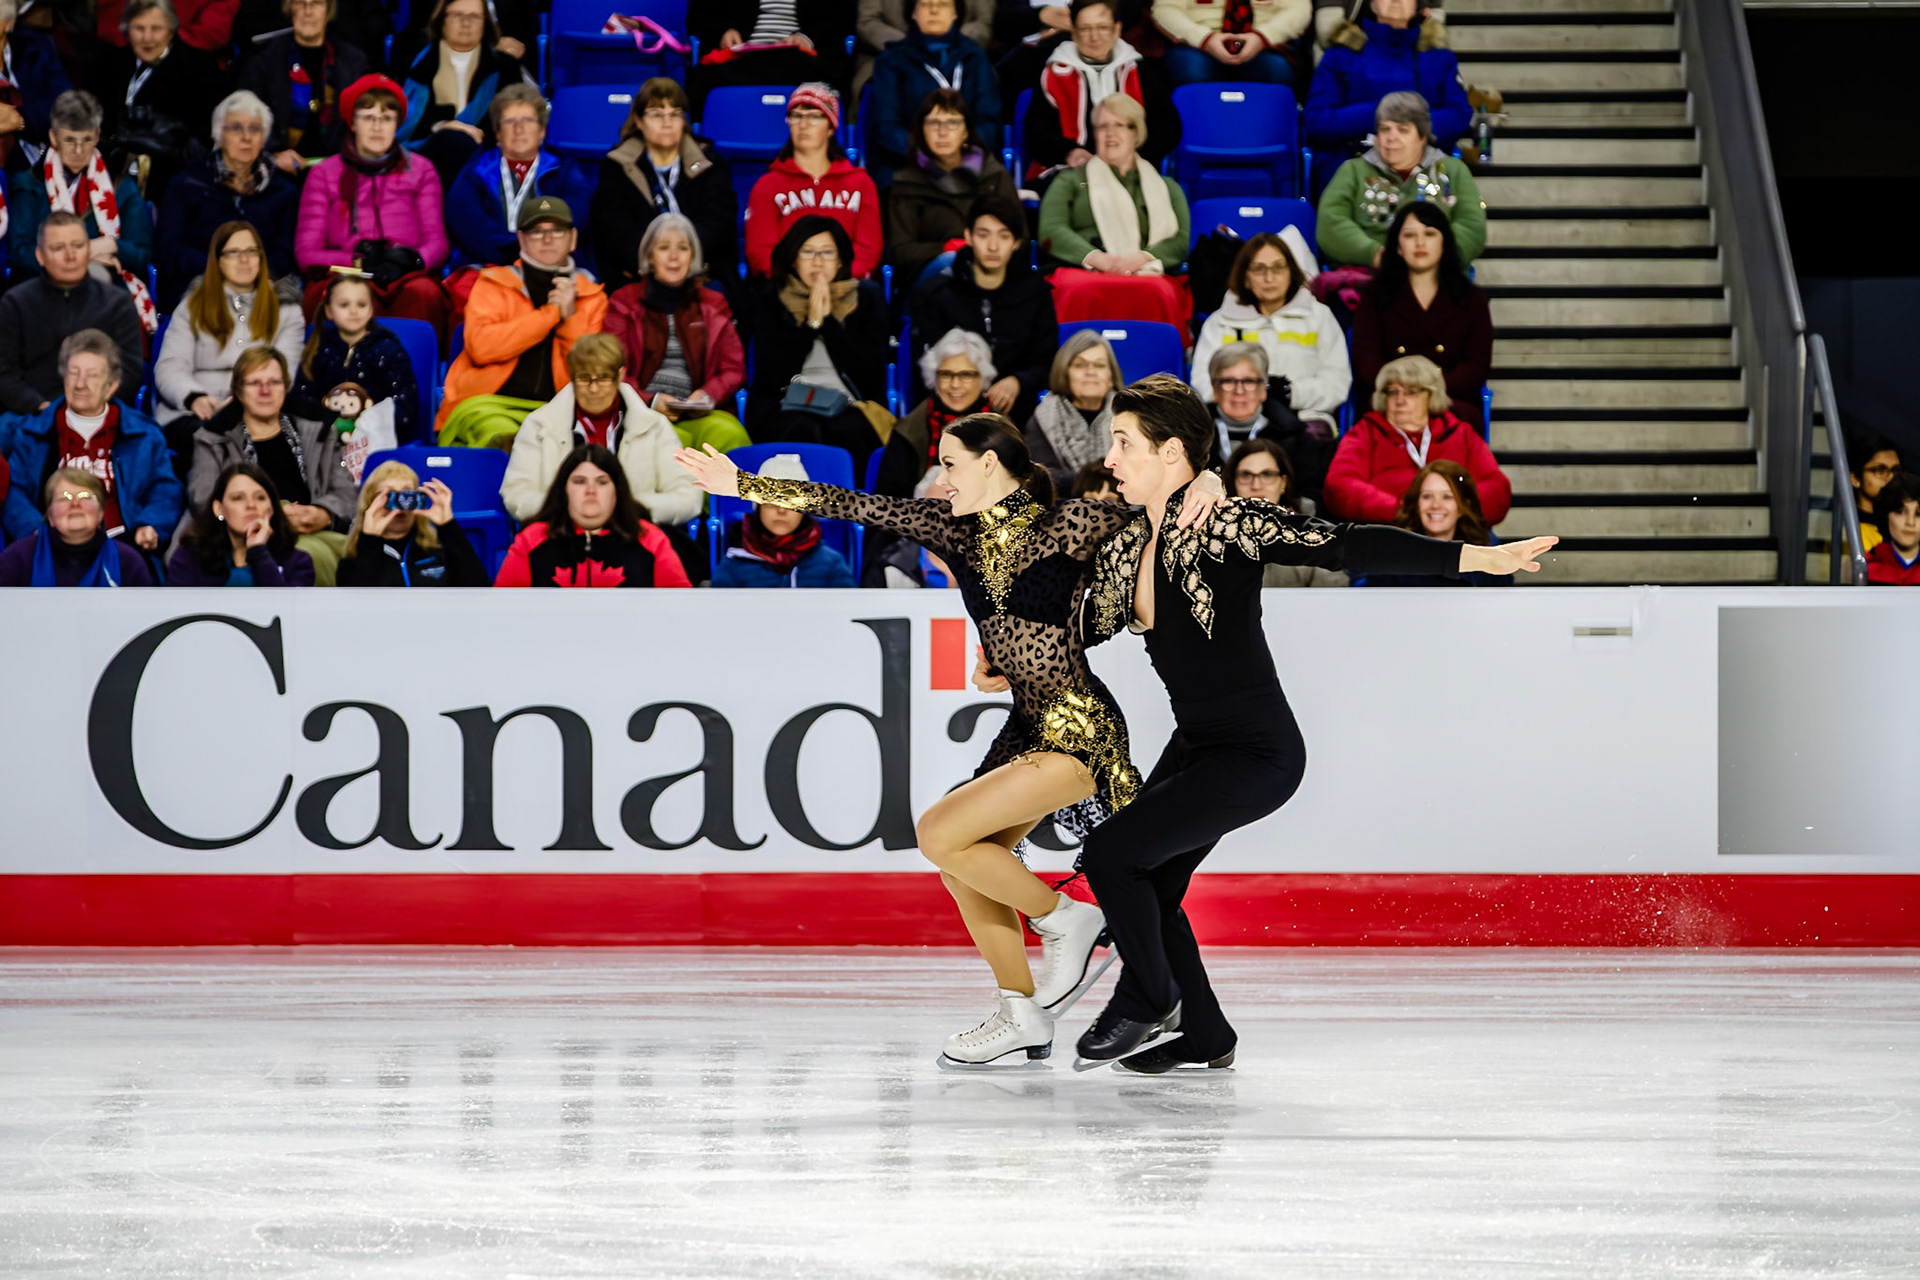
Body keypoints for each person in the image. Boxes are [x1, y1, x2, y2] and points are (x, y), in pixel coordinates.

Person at [677, 414, 1228, 1066]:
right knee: (961, 859)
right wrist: (738, 483)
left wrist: (1211, 479)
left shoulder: (1073, 521)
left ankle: (1064, 919)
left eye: (952, 462)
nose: (942, 477)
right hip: (1026, 725)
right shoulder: (953, 530)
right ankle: (1021, 1010)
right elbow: (852, 504)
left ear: (991, 464)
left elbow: (1158, 518)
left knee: (940, 830)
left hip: (1080, 727)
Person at [1065, 374, 1554, 1071]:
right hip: (1198, 744)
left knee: (1114, 854)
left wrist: (1473, 555)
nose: (1109, 458)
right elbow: (1078, 628)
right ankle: (1205, 1035)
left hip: (1257, 753)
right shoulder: (1123, 551)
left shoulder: (1228, 524)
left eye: (1123, 443)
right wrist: (1005, 657)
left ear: (1171, 452)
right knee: (1151, 885)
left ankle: (1150, 999)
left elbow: (1342, 544)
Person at [437, 195, 606, 444]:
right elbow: (482, 348)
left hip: (560, 411)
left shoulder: (592, 296)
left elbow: (588, 373)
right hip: (487, 405)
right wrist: (551, 314)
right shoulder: (493, 283)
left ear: (573, 239)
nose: (547, 239)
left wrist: (569, 319)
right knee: (499, 435)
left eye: (557, 231)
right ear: (521, 239)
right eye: (537, 231)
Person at [0, 328, 183, 551]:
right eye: (74, 373)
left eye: (92, 375)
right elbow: (15, 491)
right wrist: (33, 531)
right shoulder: (33, 432)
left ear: (111, 386)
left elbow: (165, 489)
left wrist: (150, 524)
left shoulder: (144, 434)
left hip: (121, 545)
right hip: (51, 545)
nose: (80, 384)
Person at [297, 75, 452, 333]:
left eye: (387, 118)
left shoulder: (422, 170)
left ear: (397, 125)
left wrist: (412, 259)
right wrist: (356, 260)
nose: (377, 127)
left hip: (406, 275)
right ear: (353, 122)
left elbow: (437, 243)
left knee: (424, 294)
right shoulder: (324, 173)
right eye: (369, 117)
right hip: (343, 274)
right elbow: (306, 253)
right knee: (339, 297)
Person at [187, 347, 354, 583]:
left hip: (312, 527)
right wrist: (271, 517)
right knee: (311, 556)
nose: (265, 391)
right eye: (255, 383)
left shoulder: (317, 428)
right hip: (245, 534)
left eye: (274, 382)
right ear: (238, 391)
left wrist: (323, 512)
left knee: (359, 554)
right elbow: (202, 499)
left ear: (286, 386)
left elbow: (345, 492)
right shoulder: (214, 437)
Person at [499, 333, 702, 527]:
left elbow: (688, 497)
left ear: (620, 375)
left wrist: (626, 509)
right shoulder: (539, 425)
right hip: (561, 536)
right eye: (585, 379)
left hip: (636, 535)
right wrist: (573, 509)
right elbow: (516, 495)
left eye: (603, 378)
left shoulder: (654, 426)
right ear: (571, 376)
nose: (594, 389)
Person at [746, 216, 893, 470]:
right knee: (801, 429)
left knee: (847, 430)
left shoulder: (866, 297)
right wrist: (811, 324)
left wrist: (829, 323)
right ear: (793, 259)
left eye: (827, 253)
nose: (818, 261)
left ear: (839, 261)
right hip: (786, 403)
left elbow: (871, 376)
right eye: (808, 252)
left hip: (850, 402)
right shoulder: (771, 299)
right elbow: (771, 377)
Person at [1037, 93, 1191, 328]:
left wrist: (1141, 258)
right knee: (1073, 289)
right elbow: (1051, 230)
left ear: (1136, 133)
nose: (1110, 134)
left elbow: (1180, 240)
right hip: (1082, 270)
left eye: (1119, 126)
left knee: (1160, 290)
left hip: (1145, 271)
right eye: (1102, 127)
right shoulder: (1069, 181)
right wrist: (1096, 258)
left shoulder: (1167, 187)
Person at [8, 90, 155, 333]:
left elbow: (142, 254)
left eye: (86, 140)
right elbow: (21, 252)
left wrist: (113, 245)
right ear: (53, 137)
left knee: (108, 299)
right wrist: (87, 254)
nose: (78, 150)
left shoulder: (120, 185)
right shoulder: (29, 183)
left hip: (107, 288)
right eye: (69, 140)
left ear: (97, 135)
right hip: (42, 284)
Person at [602, 215, 750, 455]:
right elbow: (612, 368)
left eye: (683, 248)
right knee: (673, 443)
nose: (674, 256)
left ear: (692, 256)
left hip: (699, 410)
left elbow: (733, 369)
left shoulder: (714, 303)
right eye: (663, 248)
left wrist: (706, 395)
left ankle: (721, 494)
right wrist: (651, 400)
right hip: (640, 409)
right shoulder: (623, 302)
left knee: (731, 434)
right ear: (650, 256)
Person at [153, 222, 307, 443]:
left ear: (261, 258)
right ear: (218, 260)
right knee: (212, 441)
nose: (244, 259)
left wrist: (241, 404)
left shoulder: (287, 310)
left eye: (251, 251)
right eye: (233, 252)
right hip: (194, 412)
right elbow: (170, 364)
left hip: (261, 410)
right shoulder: (193, 305)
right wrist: (194, 398)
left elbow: (284, 374)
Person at [905, 193, 1056, 419]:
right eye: (984, 235)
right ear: (968, 236)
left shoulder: (1036, 294)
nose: (993, 246)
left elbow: (1047, 361)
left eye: (1004, 236)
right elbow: (925, 368)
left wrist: (1018, 382)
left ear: (1016, 243)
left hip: (1017, 411)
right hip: (951, 408)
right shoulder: (935, 295)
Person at [1350, 202, 1494, 431]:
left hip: (1449, 399)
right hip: (1391, 400)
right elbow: (1366, 361)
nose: (1419, 243)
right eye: (1409, 235)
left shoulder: (1471, 298)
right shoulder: (1374, 296)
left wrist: (1428, 392)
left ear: (1444, 242)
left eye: (1429, 233)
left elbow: (1476, 367)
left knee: (1461, 423)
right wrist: (1402, 393)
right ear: (1397, 246)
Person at [154, 91, 303, 309]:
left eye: (255, 128)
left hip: (262, 286)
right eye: (236, 128)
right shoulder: (186, 185)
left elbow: (284, 256)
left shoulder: (283, 192)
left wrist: (249, 275)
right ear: (218, 135)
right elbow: (168, 250)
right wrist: (222, 269)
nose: (246, 137)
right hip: (198, 283)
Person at [1305, 0, 1470, 197]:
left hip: (1424, 165)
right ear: (1372, 5)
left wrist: (1410, 130)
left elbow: (1459, 113)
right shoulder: (1341, 55)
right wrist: (1380, 115)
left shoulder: (1439, 57)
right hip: (1353, 161)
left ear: (1418, 6)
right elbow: (1317, 118)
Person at [1190, 230, 1349, 429]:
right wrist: (1248, 398)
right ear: (1245, 277)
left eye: (1278, 268)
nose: (1269, 277)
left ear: (1291, 273)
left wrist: (1291, 393)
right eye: (1259, 269)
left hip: (1304, 417)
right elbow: (1203, 382)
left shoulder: (1319, 316)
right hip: (1237, 420)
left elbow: (1337, 383)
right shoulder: (1220, 322)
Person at [590, 79, 737, 294]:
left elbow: (718, 224)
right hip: (638, 275)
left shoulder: (711, 164)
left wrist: (682, 262)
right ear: (639, 121)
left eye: (675, 114)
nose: (667, 122)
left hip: (700, 275)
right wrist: (655, 265)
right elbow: (615, 228)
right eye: (657, 114)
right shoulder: (617, 166)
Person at [1325, 354, 1509, 524]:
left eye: (1410, 392)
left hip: (1454, 531)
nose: (1400, 400)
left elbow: (1496, 488)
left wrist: (1453, 509)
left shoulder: (1460, 433)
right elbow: (1339, 485)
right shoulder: (1366, 432)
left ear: (1431, 395)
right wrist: (1402, 510)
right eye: (1392, 392)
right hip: (1388, 528)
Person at [1318, 90, 1485, 272]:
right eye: (1384, 129)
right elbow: (1330, 224)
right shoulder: (1351, 171)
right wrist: (1377, 255)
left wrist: (1430, 260)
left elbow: (1471, 227)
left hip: (1438, 278)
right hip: (1369, 279)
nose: (1391, 138)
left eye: (1402, 130)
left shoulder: (1454, 171)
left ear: (1422, 137)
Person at [0, 214, 145, 416]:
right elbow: (4, 375)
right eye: (58, 248)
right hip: (30, 416)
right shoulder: (15, 303)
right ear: (40, 256)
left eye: (78, 246)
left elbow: (129, 371)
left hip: (102, 414)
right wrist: (41, 407)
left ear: (88, 250)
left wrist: (93, 407)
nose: (70, 256)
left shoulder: (117, 303)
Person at [1024, 0, 1180, 187]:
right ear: (1073, 32)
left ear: (1117, 30)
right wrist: (1070, 153)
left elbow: (1168, 127)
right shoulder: (1055, 73)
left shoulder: (1138, 71)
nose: (1094, 36)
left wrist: (1132, 157)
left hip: (1131, 171)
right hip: (1071, 171)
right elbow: (1037, 129)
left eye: (1103, 28)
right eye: (1085, 28)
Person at [495, 443, 692, 587]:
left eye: (602, 482)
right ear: (563, 490)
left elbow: (680, 610)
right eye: (579, 481)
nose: (591, 490)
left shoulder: (651, 539)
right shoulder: (530, 541)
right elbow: (502, 609)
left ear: (617, 491)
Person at [743, 85, 883, 281]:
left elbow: (869, 251)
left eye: (814, 116)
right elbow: (760, 251)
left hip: (846, 284)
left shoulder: (861, 184)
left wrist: (836, 280)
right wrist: (798, 281)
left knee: (870, 295)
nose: (803, 124)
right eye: (796, 116)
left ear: (831, 127)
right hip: (786, 285)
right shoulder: (768, 185)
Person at [444, 84, 592, 269]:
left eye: (528, 121)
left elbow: (579, 213)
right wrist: (517, 249)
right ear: (498, 133)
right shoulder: (477, 171)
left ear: (542, 131)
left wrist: (540, 248)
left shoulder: (562, 169)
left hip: (551, 264)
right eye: (509, 121)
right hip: (488, 267)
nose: (519, 129)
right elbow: (465, 221)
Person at [885, 89, 1018, 288]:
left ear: (966, 131)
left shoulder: (994, 176)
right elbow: (901, 251)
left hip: (994, 272)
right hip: (928, 280)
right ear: (921, 129)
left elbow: (1020, 236)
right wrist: (946, 248)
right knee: (953, 263)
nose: (942, 131)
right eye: (933, 123)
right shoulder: (906, 183)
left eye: (953, 122)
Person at [93, 0, 220, 202]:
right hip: (109, 175)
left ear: (171, 31)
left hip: (169, 183)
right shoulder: (108, 65)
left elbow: (202, 140)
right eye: (139, 28)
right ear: (127, 30)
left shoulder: (199, 69)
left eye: (156, 29)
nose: (147, 38)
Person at [395, 0, 531, 186]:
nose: (465, 22)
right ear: (442, 21)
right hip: (426, 152)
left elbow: (511, 122)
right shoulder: (419, 63)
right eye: (457, 15)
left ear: (486, 23)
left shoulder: (505, 66)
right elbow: (405, 125)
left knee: (458, 145)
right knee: (451, 141)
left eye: (474, 16)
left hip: (484, 157)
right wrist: (443, 126)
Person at [867, 0, 1000, 187]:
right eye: (925, 4)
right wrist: (926, 156)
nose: (934, 10)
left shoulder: (975, 58)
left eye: (943, 4)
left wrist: (958, 155)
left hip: (967, 162)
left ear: (956, 13)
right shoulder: (891, 61)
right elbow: (885, 127)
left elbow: (989, 121)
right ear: (913, 13)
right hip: (906, 164)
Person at [235, 0, 371, 172]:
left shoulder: (352, 60)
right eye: (300, 3)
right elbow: (246, 113)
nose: (308, 11)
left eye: (316, 3)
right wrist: (274, 152)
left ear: (328, 11)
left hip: (338, 166)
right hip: (280, 170)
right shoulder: (264, 60)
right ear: (290, 9)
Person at [294, 272, 425, 445]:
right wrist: (329, 424)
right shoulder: (318, 348)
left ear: (371, 309)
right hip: (325, 441)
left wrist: (367, 426)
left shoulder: (388, 348)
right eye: (344, 305)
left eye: (362, 304)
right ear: (328, 310)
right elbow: (302, 400)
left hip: (377, 441)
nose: (354, 311)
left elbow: (405, 403)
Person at [875, 327, 993, 500]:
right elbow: (885, 505)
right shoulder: (909, 431)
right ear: (934, 377)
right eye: (946, 374)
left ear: (982, 377)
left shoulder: (1002, 429)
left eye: (966, 375)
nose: (955, 384)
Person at [712, 452, 858, 587]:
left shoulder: (831, 563)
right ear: (757, 507)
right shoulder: (734, 564)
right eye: (771, 501)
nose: (781, 510)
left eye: (791, 503)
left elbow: (849, 610)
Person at [334, 460, 490, 585]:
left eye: (407, 494)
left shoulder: (438, 548)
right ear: (371, 504)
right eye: (389, 496)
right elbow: (355, 607)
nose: (400, 506)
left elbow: (480, 590)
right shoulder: (354, 558)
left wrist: (448, 527)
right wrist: (369, 540)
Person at [165, 461, 317, 586]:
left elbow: (285, 614)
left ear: (272, 508)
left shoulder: (298, 563)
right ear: (219, 509)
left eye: (260, 498)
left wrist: (259, 551)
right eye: (238, 498)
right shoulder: (189, 558)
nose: (251, 505)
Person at [686, 0, 854, 112]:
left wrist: (807, 39)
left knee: (831, 76)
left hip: (802, 59)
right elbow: (699, 17)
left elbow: (843, 20)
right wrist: (723, 32)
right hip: (743, 59)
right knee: (707, 78)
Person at [1362, 457, 1505, 586]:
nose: (1436, 505)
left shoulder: (1487, 548)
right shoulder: (1391, 552)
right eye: (1427, 496)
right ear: (1416, 504)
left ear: (1463, 506)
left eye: (1447, 497)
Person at [1223, 436, 1346, 586]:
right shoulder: (1215, 536)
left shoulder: (1310, 533)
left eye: (1267, 474)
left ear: (1283, 482)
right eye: (1246, 475)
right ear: (1233, 482)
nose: (1256, 485)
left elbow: (1334, 594)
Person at [0, 468, 155, 586]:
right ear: (50, 515)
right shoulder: (18, 558)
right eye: (64, 497)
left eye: (85, 497)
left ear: (101, 512)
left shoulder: (128, 561)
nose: (75, 503)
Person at [1024, 327, 1120, 486]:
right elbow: (1044, 476)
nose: (1090, 372)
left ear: (1111, 376)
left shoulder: (1130, 415)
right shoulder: (1043, 418)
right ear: (1064, 373)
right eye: (1080, 365)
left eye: (1099, 365)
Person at [1151, 0, 1308, 88]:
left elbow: (1298, 10)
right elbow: (1165, 10)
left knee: (1277, 71)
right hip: (1197, 43)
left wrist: (1262, 37)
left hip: (1263, 43)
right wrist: (1204, 39)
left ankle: (1265, 138)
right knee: (1191, 71)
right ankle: (1200, 139)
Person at [0, 1, 72, 181]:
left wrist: (20, 119)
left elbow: (66, 107)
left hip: (47, 166)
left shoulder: (35, 49)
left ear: (9, 22)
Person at [1850, 436, 1903, 554]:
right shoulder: (1849, 530)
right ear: (1854, 479)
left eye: (1895, 470)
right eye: (1880, 470)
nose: (1890, 478)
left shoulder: (1902, 524)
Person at [1866, 472, 1920, 586]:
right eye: (1900, 512)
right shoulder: (1865, 565)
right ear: (1886, 516)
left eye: (1918, 514)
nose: (1910, 522)